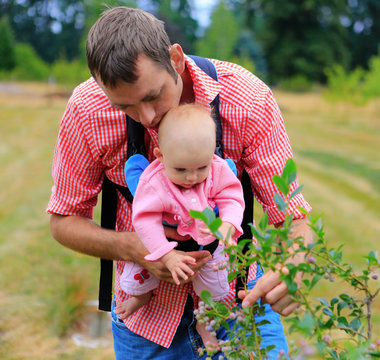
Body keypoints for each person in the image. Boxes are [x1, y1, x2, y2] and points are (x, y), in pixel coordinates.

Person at [47, 6, 313, 359]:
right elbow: (63, 222)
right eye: (124, 107)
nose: (147, 118)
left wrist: (294, 267)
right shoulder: (87, 110)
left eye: (152, 96)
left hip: (238, 305)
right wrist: (137, 249)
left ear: (175, 58)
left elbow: (294, 218)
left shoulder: (247, 101)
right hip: (145, 320)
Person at [116, 104, 244, 348]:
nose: (192, 178)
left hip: (207, 241)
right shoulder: (154, 182)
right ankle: (140, 296)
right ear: (160, 156)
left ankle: (204, 320)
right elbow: (145, 219)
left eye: (201, 168)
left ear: (211, 156)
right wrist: (165, 255)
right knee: (135, 275)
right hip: (161, 243)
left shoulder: (217, 169)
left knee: (217, 284)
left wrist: (228, 223)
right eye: (181, 169)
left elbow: (232, 197)